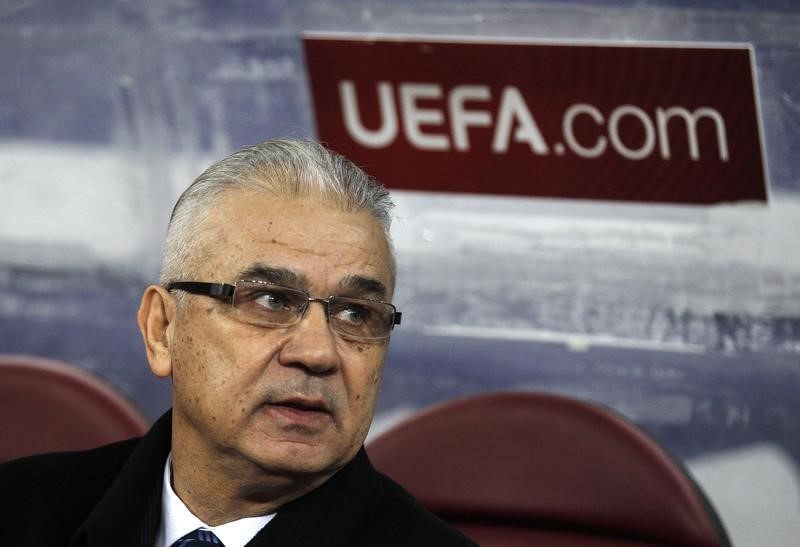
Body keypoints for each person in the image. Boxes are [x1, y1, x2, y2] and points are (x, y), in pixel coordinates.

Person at [0, 139, 477, 546]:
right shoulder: (19, 509)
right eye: (269, 300)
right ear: (162, 330)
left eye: (356, 313)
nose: (317, 353)